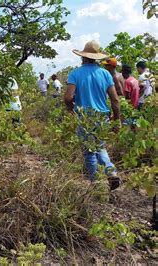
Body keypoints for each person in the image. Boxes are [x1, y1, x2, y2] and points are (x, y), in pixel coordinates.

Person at [64, 40, 121, 190]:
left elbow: (68, 98)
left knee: (89, 152)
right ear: (97, 58)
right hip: (103, 118)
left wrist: (71, 109)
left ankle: (95, 184)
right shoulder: (105, 74)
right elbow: (115, 99)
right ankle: (111, 172)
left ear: (83, 57)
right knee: (100, 147)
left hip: (84, 118)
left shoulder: (75, 74)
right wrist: (117, 119)